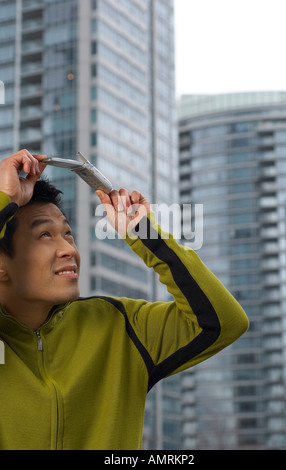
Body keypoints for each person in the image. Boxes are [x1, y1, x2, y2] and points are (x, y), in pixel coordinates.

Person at [0, 150, 249, 450]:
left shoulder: (119, 327)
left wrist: (145, 234)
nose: (68, 249)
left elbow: (224, 322)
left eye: (68, 234)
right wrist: (6, 197)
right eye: (45, 236)